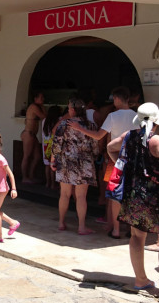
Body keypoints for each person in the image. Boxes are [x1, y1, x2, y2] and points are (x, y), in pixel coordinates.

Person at [107, 102, 159, 298]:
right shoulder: (157, 141)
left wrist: (125, 167)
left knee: (137, 235)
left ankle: (141, 280)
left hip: (134, 192)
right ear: (156, 121)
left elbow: (111, 148)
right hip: (157, 194)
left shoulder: (128, 136)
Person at [72, 86, 138, 239]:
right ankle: (130, 228)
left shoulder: (113, 116)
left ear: (116, 99)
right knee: (132, 194)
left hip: (115, 159)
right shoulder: (137, 116)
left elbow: (98, 136)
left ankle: (115, 229)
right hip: (134, 159)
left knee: (114, 195)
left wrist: (79, 128)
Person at [51, 98, 100, 235]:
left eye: (68, 108)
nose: (68, 110)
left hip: (66, 162)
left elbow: (57, 143)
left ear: (72, 110)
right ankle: (81, 226)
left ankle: (61, 222)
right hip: (85, 163)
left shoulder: (64, 124)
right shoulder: (91, 125)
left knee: (64, 194)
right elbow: (95, 147)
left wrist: (53, 159)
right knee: (81, 196)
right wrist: (94, 157)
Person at [21, 91, 46, 184]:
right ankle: (24, 177)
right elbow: (44, 116)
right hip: (28, 134)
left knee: (37, 156)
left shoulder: (37, 107)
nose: (43, 99)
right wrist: (43, 106)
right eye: (41, 98)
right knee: (26, 156)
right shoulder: (34, 107)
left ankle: (31, 176)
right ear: (35, 99)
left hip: (32, 135)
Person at [41, 105, 63, 190]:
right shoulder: (58, 120)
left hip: (46, 144)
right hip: (54, 144)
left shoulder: (44, 120)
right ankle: (53, 184)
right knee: (53, 165)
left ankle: (48, 183)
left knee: (47, 164)